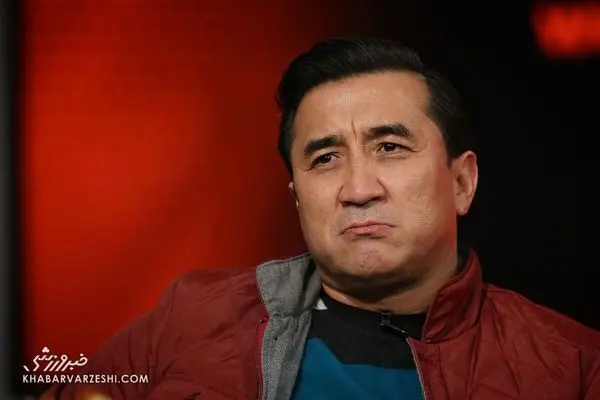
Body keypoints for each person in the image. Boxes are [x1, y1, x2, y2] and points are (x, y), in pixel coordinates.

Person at [43, 37, 600, 400]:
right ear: (297, 196)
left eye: (389, 147)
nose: (358, 190)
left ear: (462, 182)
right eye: (325, 159)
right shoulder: (190, 318)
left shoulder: (572, 366)